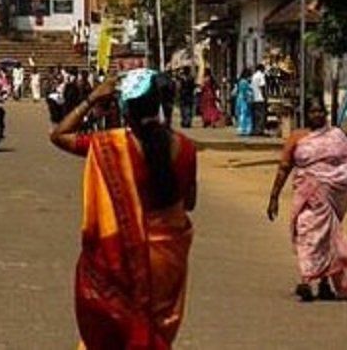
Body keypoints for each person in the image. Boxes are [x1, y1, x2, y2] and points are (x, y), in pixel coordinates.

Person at [50, 69, 197, 349]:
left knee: (115, 333)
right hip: (167, 259)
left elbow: (60, 134)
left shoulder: (110, 145)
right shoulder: (187, 149)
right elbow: (189, 202)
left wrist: (92, 99)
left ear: (125, 110)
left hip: (120, 258)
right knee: (155, 330)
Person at [266, 96, 347, 301]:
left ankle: (324, 283)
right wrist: (274, 197)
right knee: (307, 234)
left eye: (321, 111)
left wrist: (333, 181)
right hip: (307, 197)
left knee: (326, 239)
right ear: (305, 113)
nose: (317, 115)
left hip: (330, 197)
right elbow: (284, 168)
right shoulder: (297, 137)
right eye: (313, 111)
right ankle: (306, 280)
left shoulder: (336, 136)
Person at [232, 68, 254, 136]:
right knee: (245, 114)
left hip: (240, 99)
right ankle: (245, 129)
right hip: (244, 100)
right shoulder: (245, 82)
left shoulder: (240, 81)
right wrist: (249, 98)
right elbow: (245, 92)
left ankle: (242, 129)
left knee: (241, 114)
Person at [250, 63, 268, 136]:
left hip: (254, 98)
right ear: (261, 69)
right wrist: (265, 96)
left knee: (256, 115)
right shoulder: (261, 75)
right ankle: (260, 130)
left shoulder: (254, 76)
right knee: (261, 115)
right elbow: (262, 86)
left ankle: (255, 129)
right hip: (260, 98)